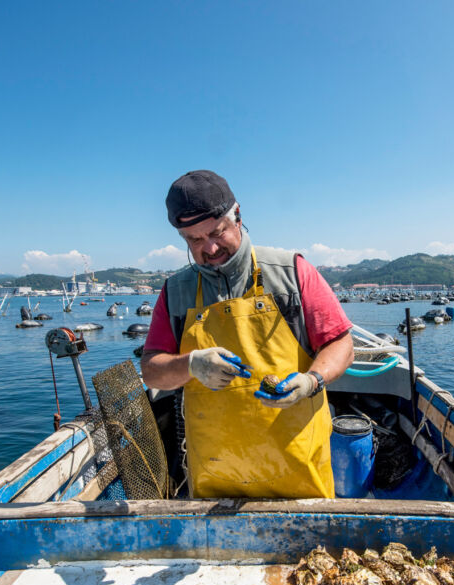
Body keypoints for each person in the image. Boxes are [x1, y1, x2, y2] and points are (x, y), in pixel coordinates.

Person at [141, 170, 354, 499]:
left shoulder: (291, 273)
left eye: (217, 232)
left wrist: (311, 381)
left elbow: (340, 344)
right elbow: (152, 369)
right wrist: (191, 364)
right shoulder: (174, 292)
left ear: (237, 216)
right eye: (195, 240)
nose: (209, 248)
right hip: (215, 482)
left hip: (297, 476)